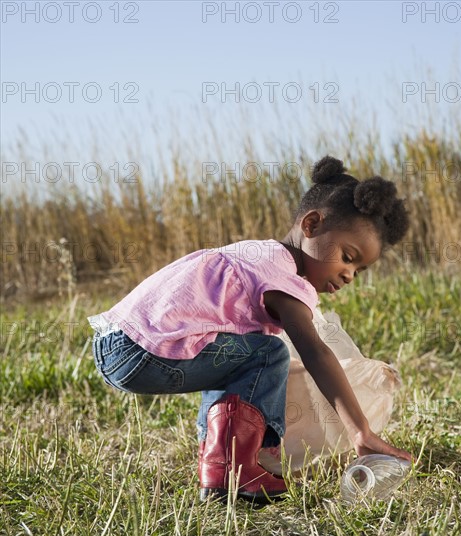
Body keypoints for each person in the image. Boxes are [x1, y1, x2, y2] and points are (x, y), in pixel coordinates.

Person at [88, 155, 413, 504]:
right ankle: (237, 469)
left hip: (116, 342)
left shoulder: (258, 254)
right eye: (348, 257)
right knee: (266, 353)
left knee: (243, 354)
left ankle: (222, 468)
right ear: (312, 225)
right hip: (141, 351)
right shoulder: (282, 278)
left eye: (359, 270)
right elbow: (316, 352)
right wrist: (359, 431)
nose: (349, 275)